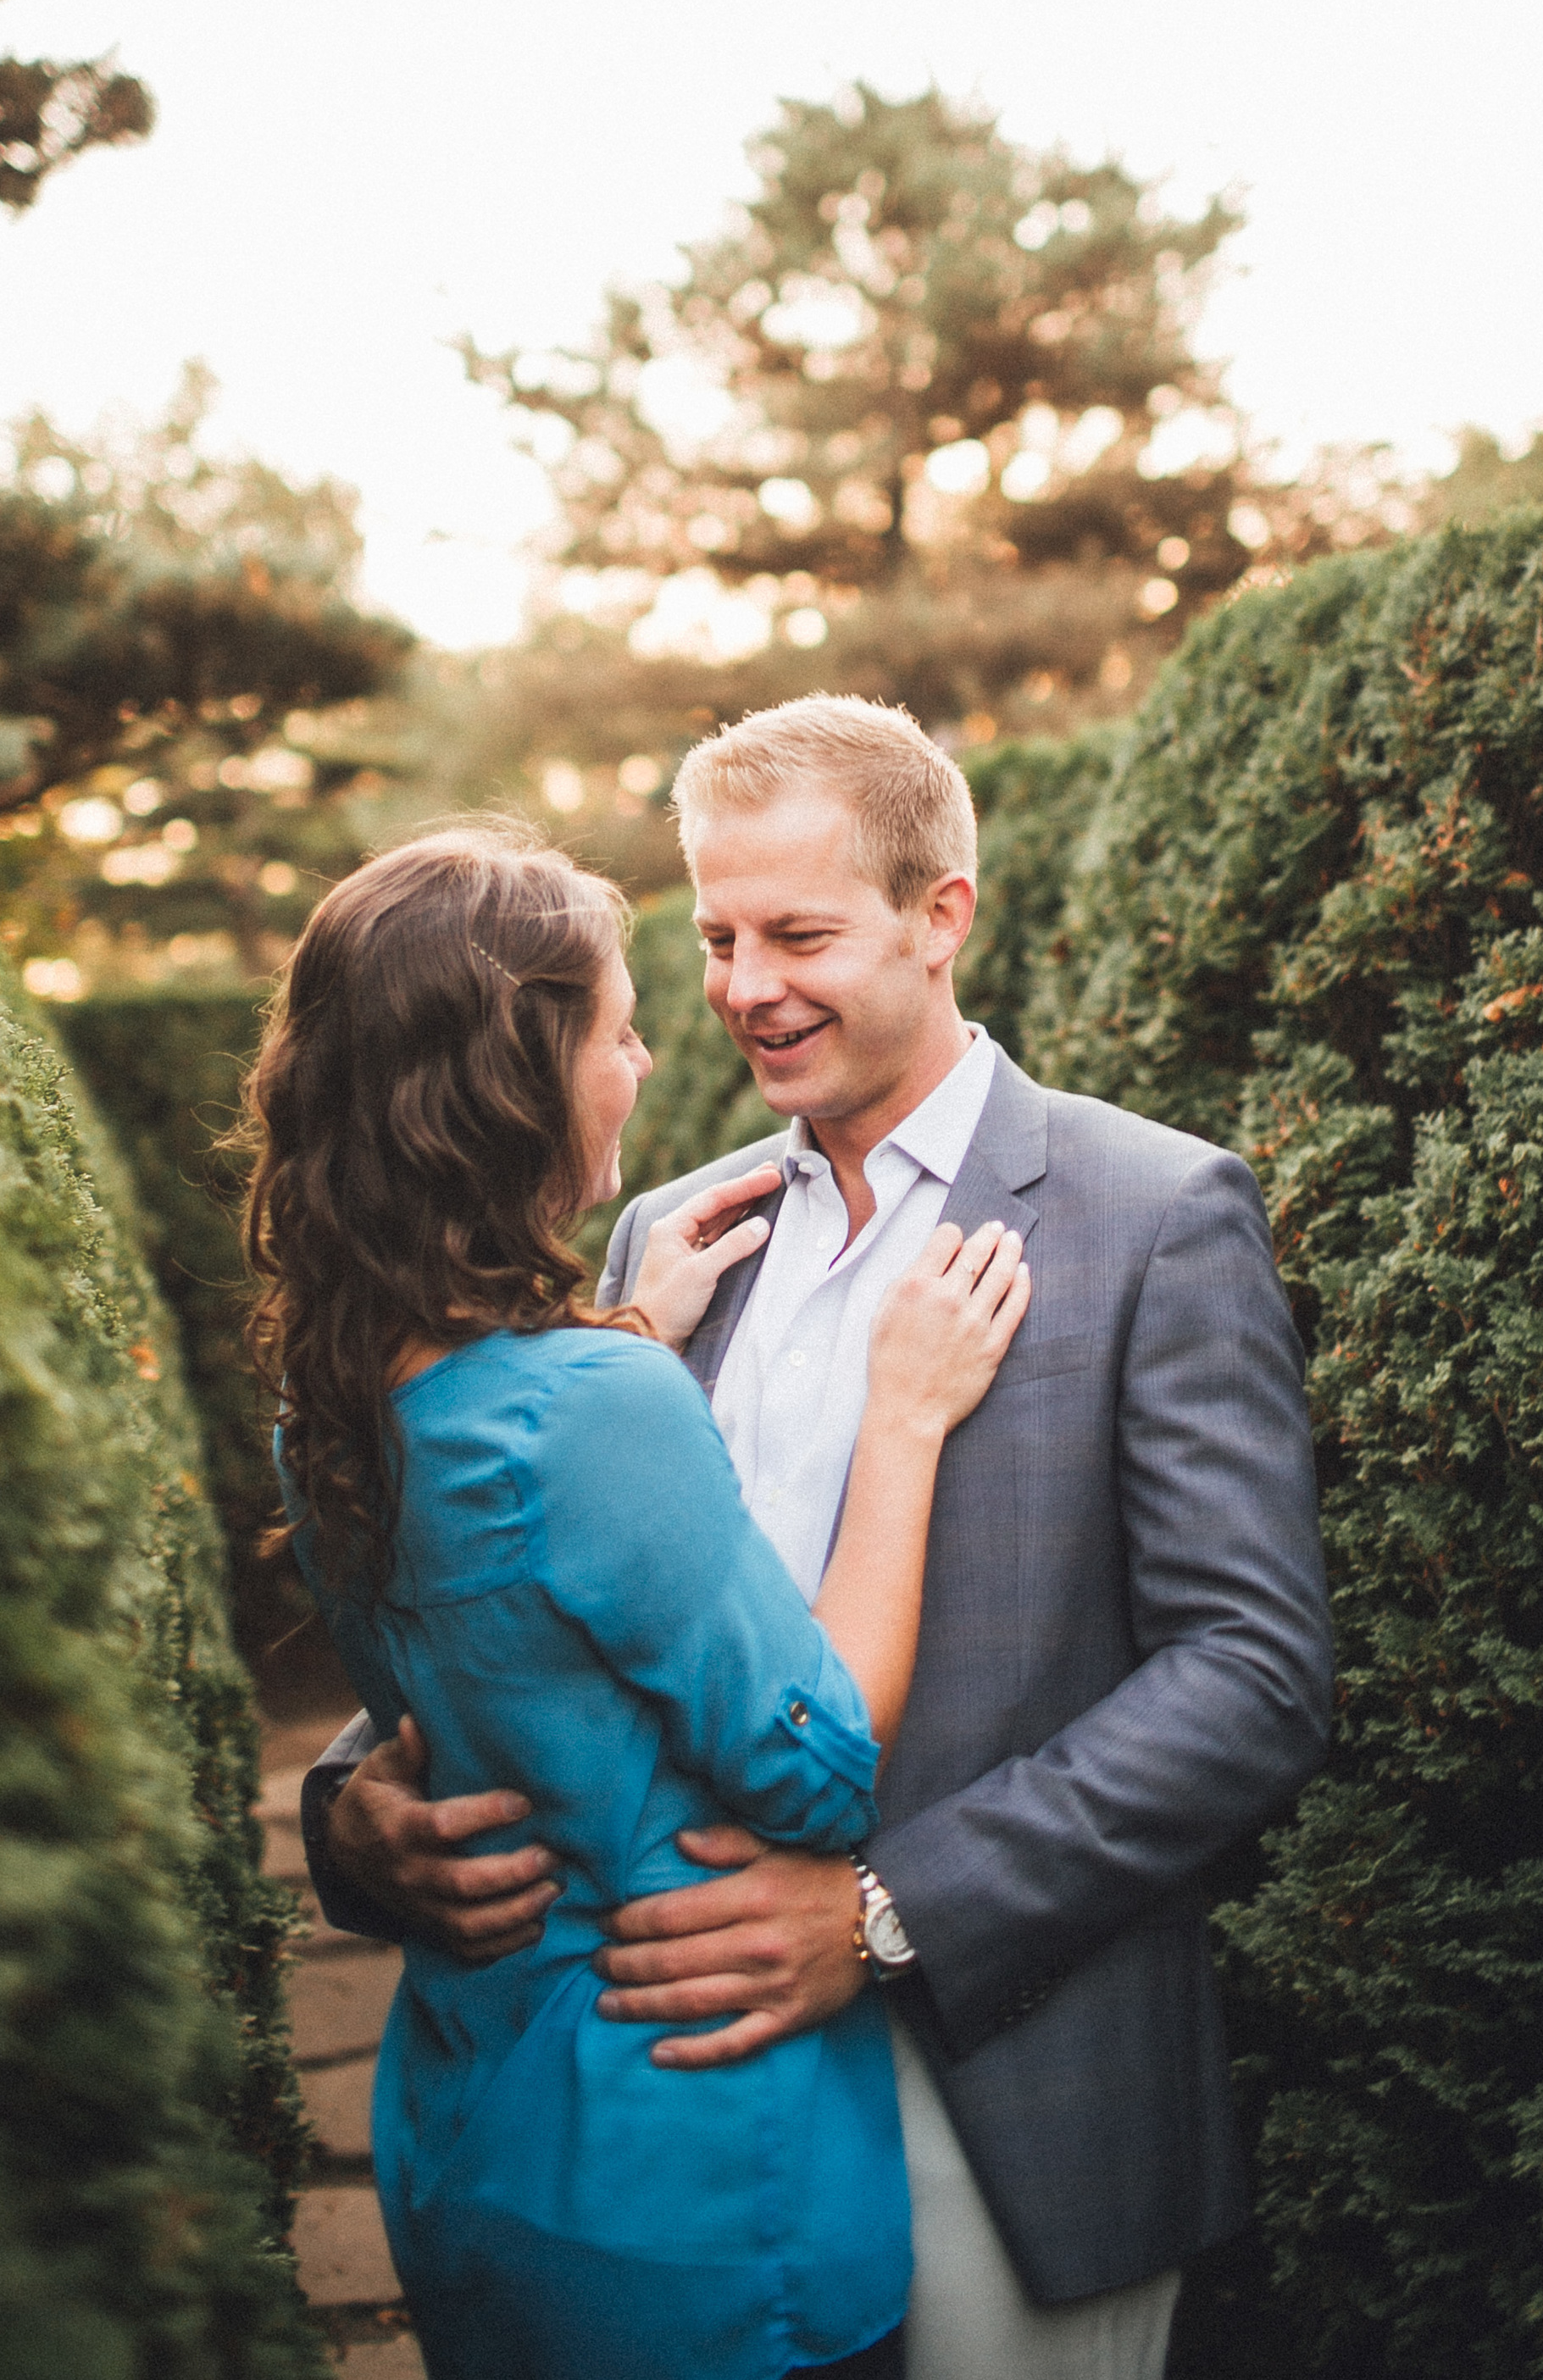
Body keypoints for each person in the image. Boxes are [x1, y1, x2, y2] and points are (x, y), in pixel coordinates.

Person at [303, 700, 1335, 2380]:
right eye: (713, 936)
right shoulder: (663, 1231)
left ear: (941, 920)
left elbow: (1253, 1677)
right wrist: (357, 1811)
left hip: (1013, 2077)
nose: (742, 986)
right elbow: (543, 1576)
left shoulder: (1152, 1216)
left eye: (797, 933)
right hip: (683, 2122)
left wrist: (877, 1913)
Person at [247, 825, 1031, 2380]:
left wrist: (620, 1332)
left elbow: (506, 1627)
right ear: (515, 1084)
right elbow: (815, 1764)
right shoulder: (593, 1399)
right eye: (619, 1026)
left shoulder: (325, 1397)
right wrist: (905, 1419)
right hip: (689, 2177)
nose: (656, 1050)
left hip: (470, 2133)